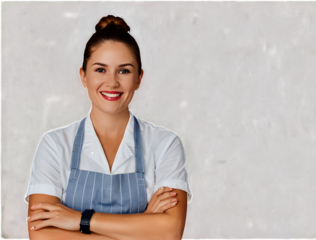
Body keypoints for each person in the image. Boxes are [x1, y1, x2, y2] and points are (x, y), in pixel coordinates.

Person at [24, 14, 193, 240]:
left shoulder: (165, 143)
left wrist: (79, 220)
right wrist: (143, 226)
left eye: (124, 71)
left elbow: (170, 231)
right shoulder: (54, 144)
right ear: (83, 77)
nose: (112, 82)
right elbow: (41, 236)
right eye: (100, 70)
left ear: (139, 79)